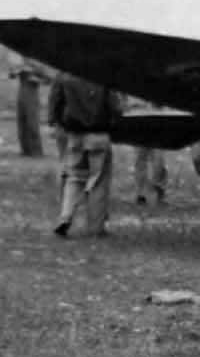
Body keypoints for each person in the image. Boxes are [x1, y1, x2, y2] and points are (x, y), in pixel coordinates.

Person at [48, 73, 121, 238]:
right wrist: (115, 125)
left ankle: (65, 217)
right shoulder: (103, 75)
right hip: (99, 133)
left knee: (74, 178)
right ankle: (96, 227)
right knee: (98, 181)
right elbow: (114, 106)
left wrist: (60, 123)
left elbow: (56, 102)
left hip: (74, 133)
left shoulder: (65, 75)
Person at [9, 58, 44, 157]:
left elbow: (47, 79)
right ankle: (25, 150)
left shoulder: (37, 66)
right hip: (21, 95)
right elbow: (11, 75)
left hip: (32, 95)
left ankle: (36, 151)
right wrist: (15, 70)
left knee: (32, 123)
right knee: (21, 123)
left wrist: (34, 76)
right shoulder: (20, 65)